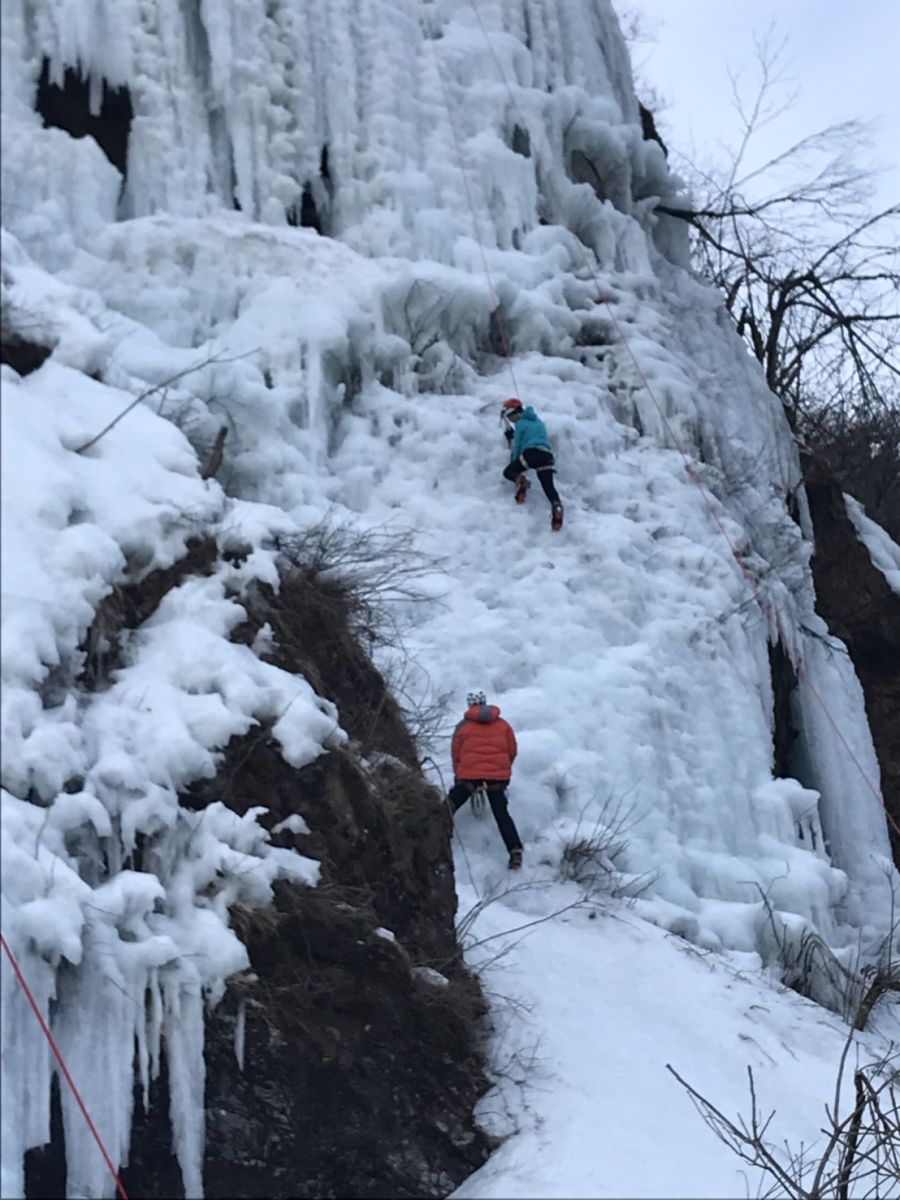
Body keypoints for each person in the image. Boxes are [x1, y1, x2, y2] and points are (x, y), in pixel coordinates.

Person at [448, 691, 524, 869]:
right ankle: (515, 852)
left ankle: (438, 831)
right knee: (501, 813)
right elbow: (511, 750)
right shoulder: (503, 725)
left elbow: (456, 753)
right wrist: (502, 772)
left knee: (450, 804)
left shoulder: (463, 726)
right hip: (497, 777)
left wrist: (459, 775)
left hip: (469, 776)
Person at [501, 398, 564, 530]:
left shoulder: (520, 424)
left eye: (509, 416)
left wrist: (514, 460)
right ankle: (557, 507)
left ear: (514, 413)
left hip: (532, 453)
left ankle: (522, 481)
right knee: (549, 487)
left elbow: (517, 445)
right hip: (547, 455)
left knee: (508, 472)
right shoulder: (538, 421)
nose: (510, 420)